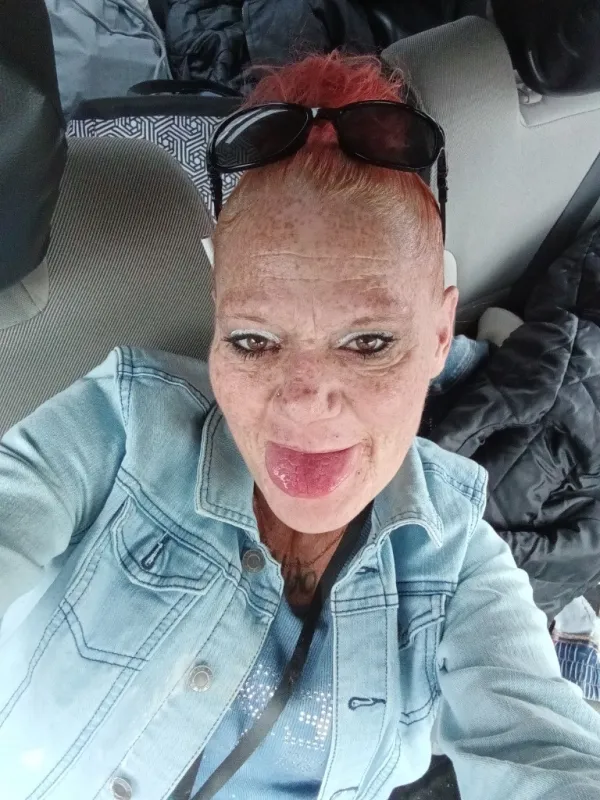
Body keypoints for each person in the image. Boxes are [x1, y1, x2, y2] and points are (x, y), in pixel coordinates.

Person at [0, 53, 599, 800]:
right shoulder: (117, 427)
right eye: (254, 340)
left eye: (369, 342)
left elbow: (544, 752)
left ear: (442, 336)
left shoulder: (457, 567)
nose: (304, 403)